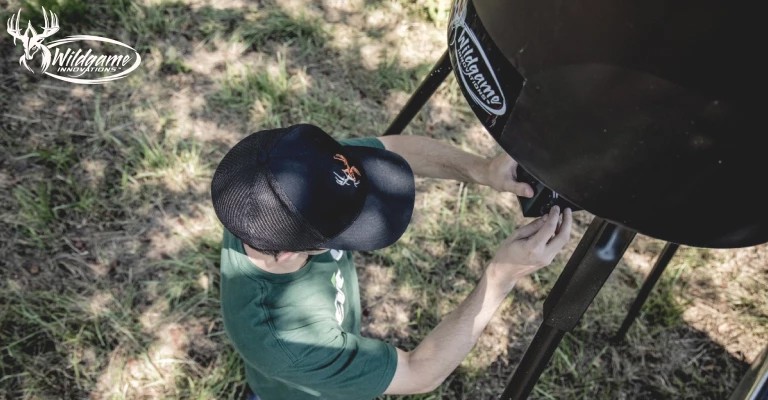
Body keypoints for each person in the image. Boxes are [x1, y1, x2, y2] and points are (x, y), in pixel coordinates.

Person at [210, 123, 572, 400]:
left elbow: (394, 149)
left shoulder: (287, 175)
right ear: (289, 252)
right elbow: (419, 372)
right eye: (346, 226)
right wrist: (501, 277)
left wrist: (482, 169)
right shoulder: (285, 340)